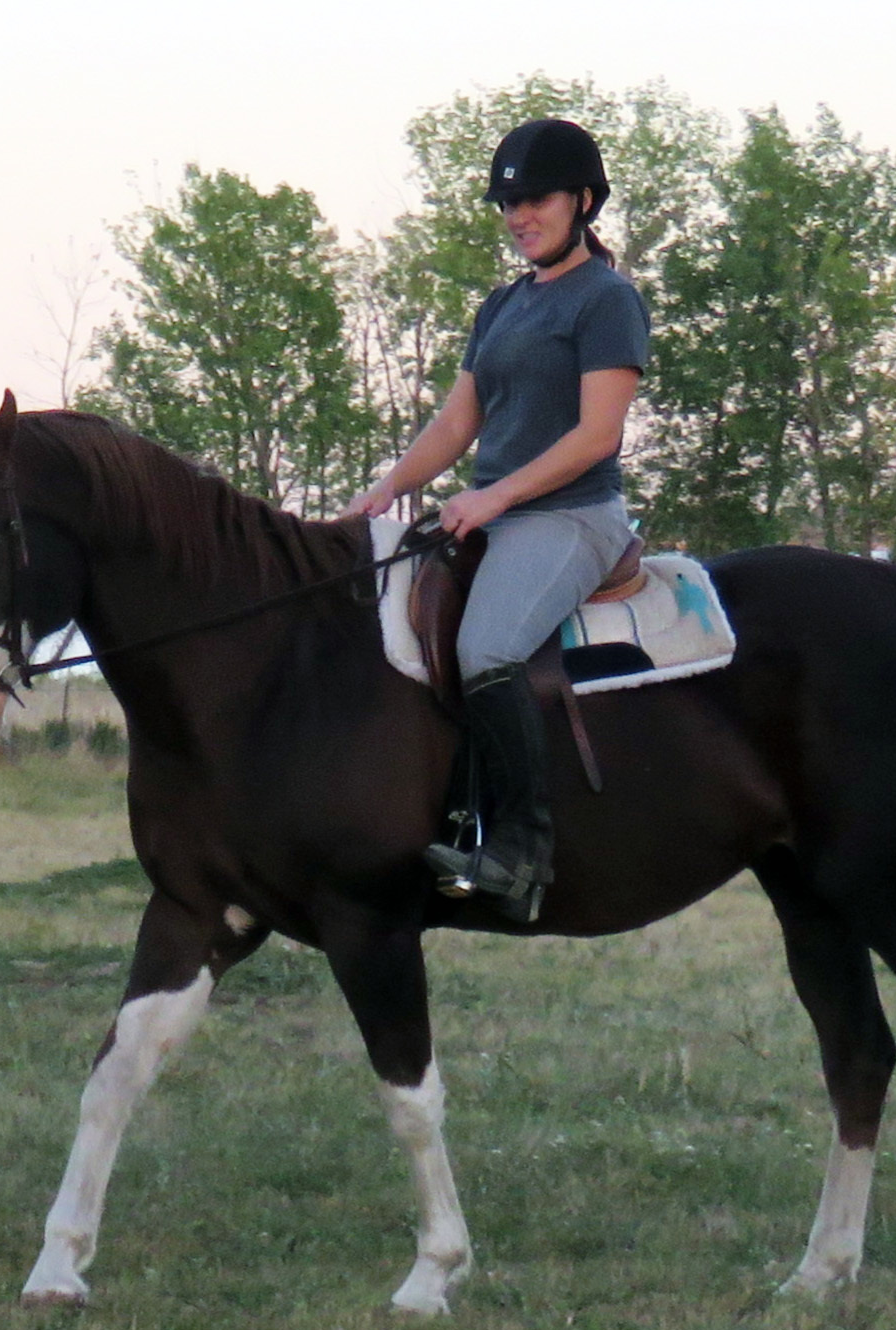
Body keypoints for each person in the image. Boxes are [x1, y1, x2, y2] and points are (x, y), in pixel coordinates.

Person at [342, 118, 651, 922]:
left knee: (486, 648)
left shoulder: (608, 299)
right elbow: (456, 424)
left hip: (572, 516)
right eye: (508, 203)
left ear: (583, 202)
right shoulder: (502, 306)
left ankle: (521, 849)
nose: (519, 216)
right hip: (495, 517)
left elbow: (598, 435)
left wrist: (494, 496)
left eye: (536, 199)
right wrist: (384, 490)